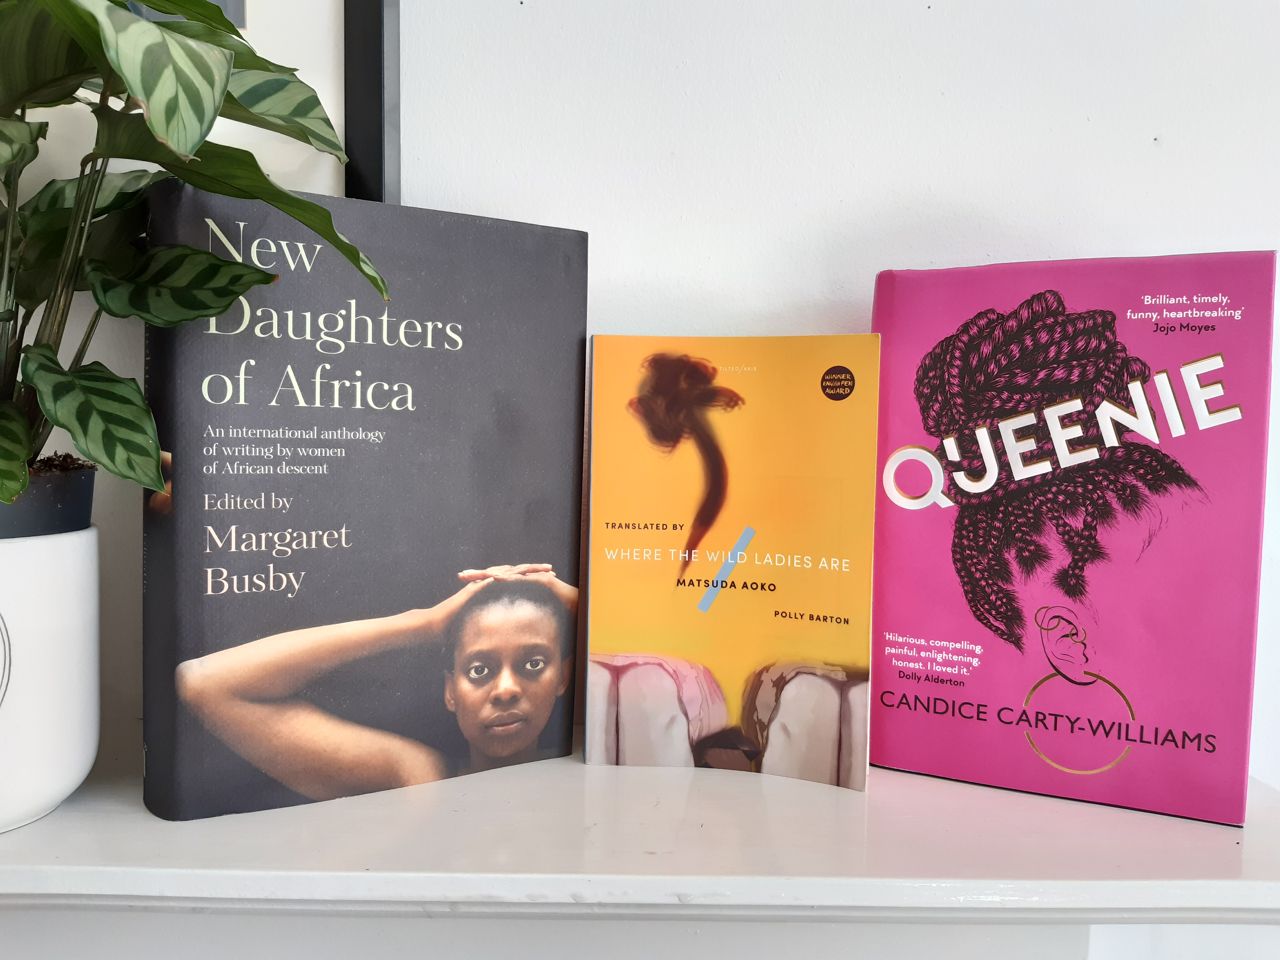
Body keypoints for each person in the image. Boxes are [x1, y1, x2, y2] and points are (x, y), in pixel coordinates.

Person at [176, 563, 577, 801]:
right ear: (450, 691)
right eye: (478, 670)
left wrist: (579, 601)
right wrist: (422, 622)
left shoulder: (587, 772)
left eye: (533, 664)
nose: (506, 689)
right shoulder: (420, 781)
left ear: (563, 676)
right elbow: (204, 682)